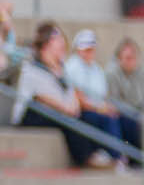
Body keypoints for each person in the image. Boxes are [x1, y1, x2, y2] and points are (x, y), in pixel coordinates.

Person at [11, 24, 117, 167]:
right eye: (58, 39)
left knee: (89, 117)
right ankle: (85, 158)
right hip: (32, 115)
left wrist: (72, 108)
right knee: (68, 121)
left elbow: (71, 96)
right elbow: (43, 98)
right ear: (46, 44)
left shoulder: (61, 68)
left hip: (57, 111)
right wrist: (68, 109)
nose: (62, 43)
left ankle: (107, 154)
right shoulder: (32, 67)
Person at [61, 29, 129, 158]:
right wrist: (100, 108)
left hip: (96, 108)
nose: (89, 52)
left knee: (124, 120)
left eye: (91, 49)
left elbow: (103, 96)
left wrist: (106, 107)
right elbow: (77, 96)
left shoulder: (97, 69)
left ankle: (127, 158)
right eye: (86, 49)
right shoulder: (72, 66)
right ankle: (117, 156)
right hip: (83, 111)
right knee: (107, 120)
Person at [106, 39, 144, 157]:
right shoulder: (112, 73)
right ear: (119, 58)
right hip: (123, 115)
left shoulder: (143, 74)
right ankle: (132, 158)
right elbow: (113, 100)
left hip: (140, 114)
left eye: (133, 57)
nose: (131, 61)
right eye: (127, 57)